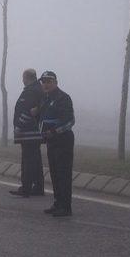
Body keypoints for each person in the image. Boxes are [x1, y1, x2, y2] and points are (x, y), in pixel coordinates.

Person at [38, 71, 75, 217]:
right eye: (44, 82)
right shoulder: (46, 99)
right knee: (54, 173)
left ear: (55, 82)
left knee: (63, 174)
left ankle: (66, 206)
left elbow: (70, 121)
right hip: (51, 141)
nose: (46, 84)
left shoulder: (63, 98)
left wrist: (54, 131)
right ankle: (57, 202)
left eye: (49, 81)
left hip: (63, 140)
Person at [10, 69, 44, 197]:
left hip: (28, 132)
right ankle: (38, 187)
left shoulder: (31, 91)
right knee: (35, 161)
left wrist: (19, 126)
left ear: (26, 78)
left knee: (28, 161)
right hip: (33, 132)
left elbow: (28, 111)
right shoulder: (37, 89)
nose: (22, 81)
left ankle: (26, 188)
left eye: (23, 78)